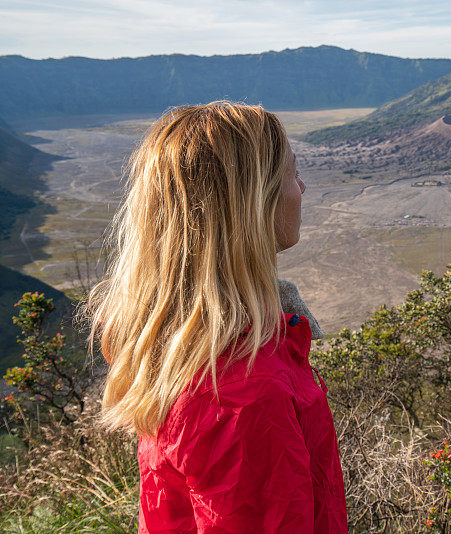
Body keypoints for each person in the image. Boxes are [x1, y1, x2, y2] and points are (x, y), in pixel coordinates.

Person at [80, 101, 347, 532]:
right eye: (292, 173)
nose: (303, 187)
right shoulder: (243, 392)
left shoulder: (186, 347)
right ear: (252, 201)